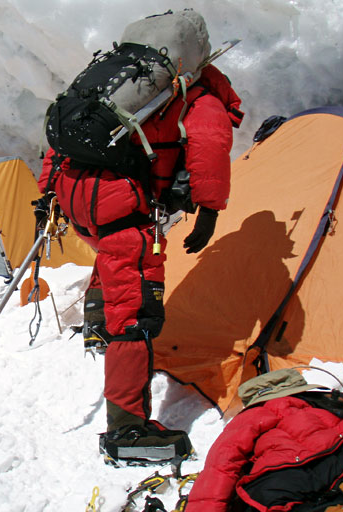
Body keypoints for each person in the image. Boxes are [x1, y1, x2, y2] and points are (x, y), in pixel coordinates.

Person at [39, 60, 242, 461]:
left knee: (112, 258)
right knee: (134, 314)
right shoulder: (195, 95)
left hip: (77, 196)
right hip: (121, 207)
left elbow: (63, 138)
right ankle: (127, 429)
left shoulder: (116, 86)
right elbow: (209, 144)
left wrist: (48, 191)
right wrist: (209, 207)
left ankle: (98, 323)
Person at [185, 369, 343, 510]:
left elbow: (221, 467)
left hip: (284, 473)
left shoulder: (249, 417)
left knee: (278, 498)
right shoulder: (322, 405)